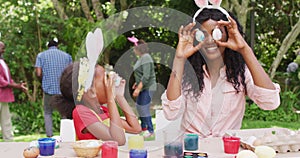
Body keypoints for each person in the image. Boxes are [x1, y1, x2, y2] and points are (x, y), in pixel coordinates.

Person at [161, 0, 280, 138]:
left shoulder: (240, 73)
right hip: (193, 150)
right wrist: (179, 59)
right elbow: (171, 113)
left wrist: (245, 49)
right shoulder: (186, 73)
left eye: (216, 33)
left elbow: (270, 102)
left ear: (228, 34)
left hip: (227, 150)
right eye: (202, 35)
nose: (210, 40)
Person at [50, 61, 141, 145]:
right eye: (106, 78)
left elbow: (135, 128)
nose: (110, 82)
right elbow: (118, 140)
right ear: (91, 91)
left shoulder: (103, 111)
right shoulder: (81, 112)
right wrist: (110, 98)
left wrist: (119, 97)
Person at [35, 39, 72, 137]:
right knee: (65, 113)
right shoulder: (66, 56)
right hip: (63, 90)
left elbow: (38, 73)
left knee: (48, 112)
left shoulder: (41, 56)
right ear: (57, 46)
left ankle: (50, 136)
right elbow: (70, 73)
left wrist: (43, 80)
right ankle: (66, 136)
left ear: (48, 46)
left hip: (48, 89)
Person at [128, 37, 157, 140]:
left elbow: (146, 75)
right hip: (143, 86)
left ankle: (150, 131)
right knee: (139, 107)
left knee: (144, 108)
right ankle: (143, 129)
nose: (133, 49)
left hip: (148, 87)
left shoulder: (146, 57)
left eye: (134, 48)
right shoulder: (141, 58)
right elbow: (140, 74)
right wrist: (136, 84)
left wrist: (138, 89)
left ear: (139, 49)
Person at [0, 41, 28, 141]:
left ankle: (8, 141)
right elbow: (2, 82)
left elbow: (8, 79)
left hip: (3, 96)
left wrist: (19, 85)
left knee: (6, 120)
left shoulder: (2, 62)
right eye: (2, 48)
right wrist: (17, 86)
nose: (3, 50)